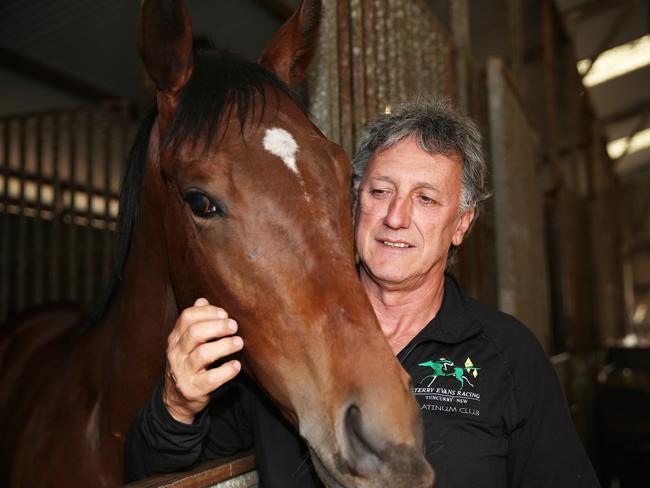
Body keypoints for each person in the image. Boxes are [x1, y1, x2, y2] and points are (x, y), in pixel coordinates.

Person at [124, 97, 600, 487]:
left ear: (461, 224)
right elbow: (160, 476)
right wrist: (176, 406)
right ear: (353, 202)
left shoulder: (509, 356)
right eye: (379, 191)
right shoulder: (281, 338)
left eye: (427, 198)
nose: (396, 217)